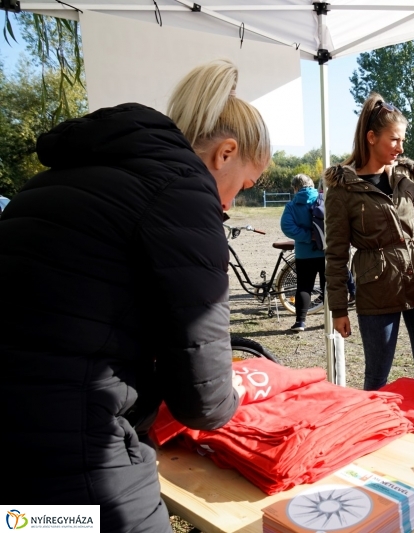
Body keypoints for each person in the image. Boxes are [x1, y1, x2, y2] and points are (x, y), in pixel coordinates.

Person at [0, 59, 269, 533]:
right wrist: (237, 393)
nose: (230, 204)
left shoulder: (54, 181)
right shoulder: (183, 193)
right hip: (81, 460)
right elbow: (202, 400)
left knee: (31, 527)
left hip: (19, 464)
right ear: (225, 153)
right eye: (244, 186)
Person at [324, 92, 414, 390]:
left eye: (402, 140)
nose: (401, 147)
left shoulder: (410, 179)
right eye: (394, 140)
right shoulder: (343, 189)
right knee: (377, 375)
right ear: (371, 137)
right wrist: (339, 308)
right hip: (376, 290)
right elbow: (335, 254)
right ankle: (375, 432)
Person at [280, 173, 326, 331]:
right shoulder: (324, 199)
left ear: (295, 188)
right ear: (312, 185)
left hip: (304, 253)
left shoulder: (292, 205)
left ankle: (300, 322)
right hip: (326, 250)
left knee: (304, 287)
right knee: (329, 287)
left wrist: (307, 236)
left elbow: (287, 227)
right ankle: (331, 321)